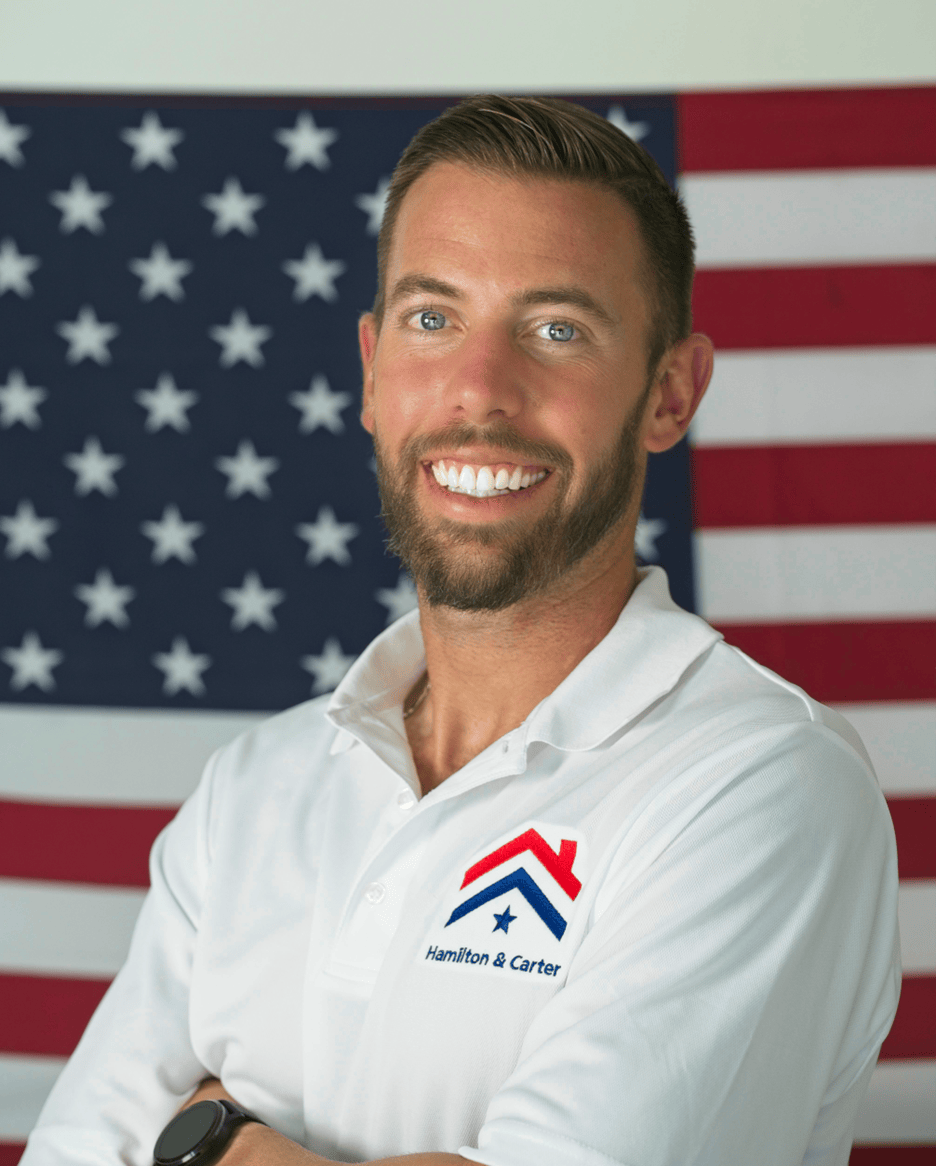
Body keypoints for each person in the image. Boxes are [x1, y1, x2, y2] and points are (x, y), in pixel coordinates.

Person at [22, 95, 900, 1166]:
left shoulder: (761, 783)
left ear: (670, 394)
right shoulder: (254, 790)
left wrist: (216, 1144)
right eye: (432, 320)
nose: (479, 391)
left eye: (557, 329)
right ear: (371, 370)